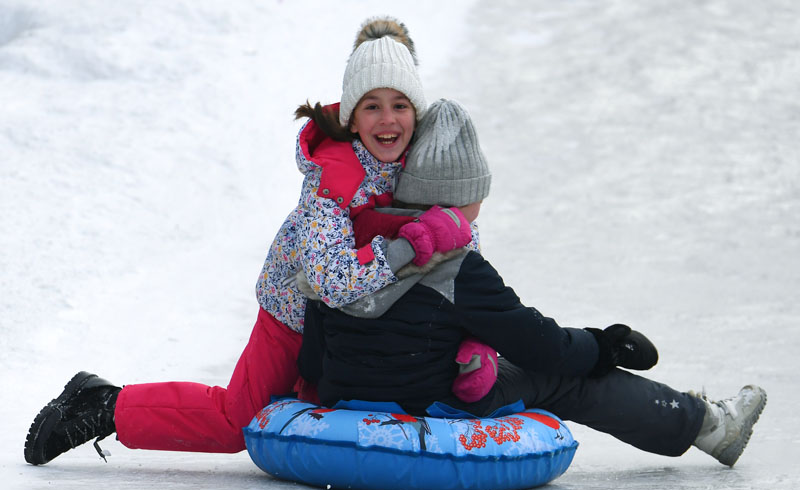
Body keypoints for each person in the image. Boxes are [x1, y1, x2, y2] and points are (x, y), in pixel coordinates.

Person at [24, 17, 481, 465]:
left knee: (345, 408)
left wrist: (470, 333)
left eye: (400, 105)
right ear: (352, 116)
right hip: (297, 315)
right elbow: (331, 280)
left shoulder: (428, 160)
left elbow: (458, 242)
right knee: (239, 420)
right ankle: (104, 406)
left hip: (364, 327)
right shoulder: (332, 176)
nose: (387, 120)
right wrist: (410, 246)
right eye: (372, 106)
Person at [297, 99, 768, 467]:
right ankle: (706, 426)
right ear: (462, 200)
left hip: (346, 392)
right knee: (565, 379)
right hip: (426, 401)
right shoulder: (457, 266)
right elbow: (535, 343)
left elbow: (317, 319)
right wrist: (603, 346)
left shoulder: (355, 241)